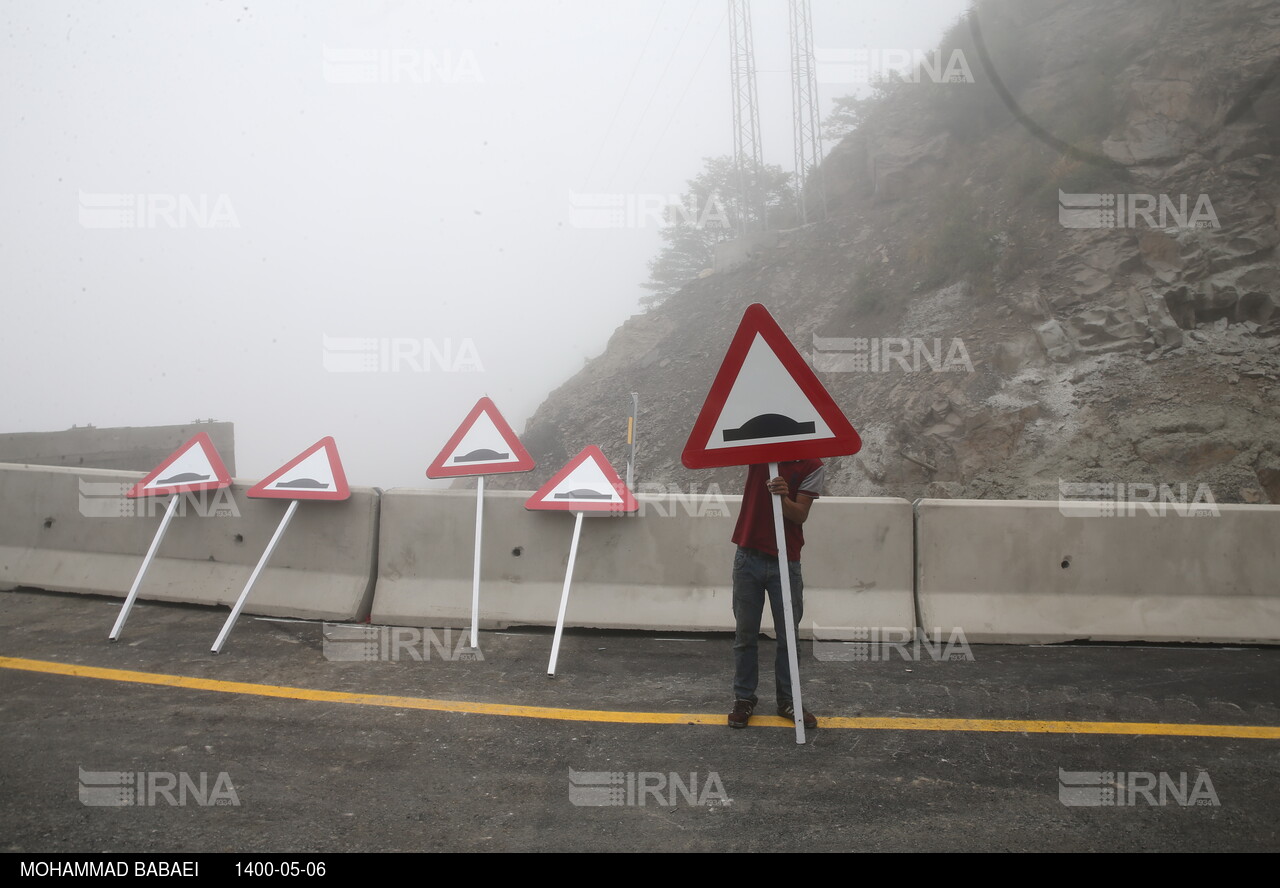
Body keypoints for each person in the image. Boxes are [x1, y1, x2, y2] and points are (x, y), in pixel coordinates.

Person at [727, 458, 824, 729]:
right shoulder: (760, 455)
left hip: (786, 561)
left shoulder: (813, 466)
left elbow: (800, 514)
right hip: (748, 556)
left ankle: (788, 700)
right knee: (745, 635)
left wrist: (782, 497)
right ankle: (744, 699)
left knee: (788, 638)